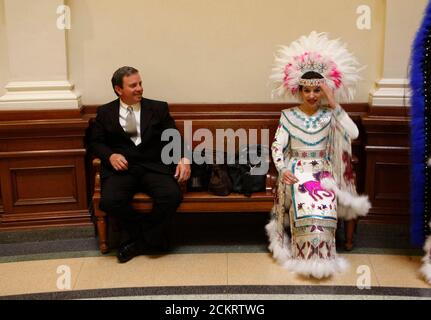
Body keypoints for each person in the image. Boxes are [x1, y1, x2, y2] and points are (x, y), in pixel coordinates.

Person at [266, 32, 370, 278]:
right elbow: (277, 147)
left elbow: (353, 133)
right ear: (298, 91)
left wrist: (334, 103)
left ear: (323, 91)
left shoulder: (330, 114)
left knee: (322, 203)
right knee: (304, 200)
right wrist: (283, 170)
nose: (312, 95)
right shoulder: (288, 116)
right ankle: (302, 257)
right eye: (306, 90)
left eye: (316, 90)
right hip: (296, 170)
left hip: (324, 170)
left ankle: (324, 257)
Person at [90, 66, 191, 263]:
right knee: (109, 201)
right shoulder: (105, 112)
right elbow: (95, 142)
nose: (139, 89)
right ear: (119, 89)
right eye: (133, 85)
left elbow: (173, 136)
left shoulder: (158, 108)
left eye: (140, 83)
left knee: (172, 196)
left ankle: (138, 242)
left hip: (153, 167)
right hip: (122, 170)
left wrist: (183, 157)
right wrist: (110, 156)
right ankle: (151, 236)